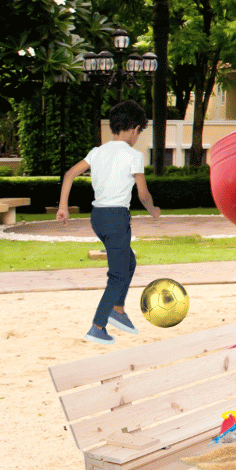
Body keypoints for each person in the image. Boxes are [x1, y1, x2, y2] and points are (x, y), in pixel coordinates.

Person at [56, 99, 160, 344]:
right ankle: (98, 326)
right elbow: (143, 194)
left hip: (98, 218)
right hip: (116, 218)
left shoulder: (97, 152)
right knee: (118, 275)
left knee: (129, 261)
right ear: (135, 128)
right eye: (139, 132)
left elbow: (69, 174)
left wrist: (63, 207)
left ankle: (118, 310)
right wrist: (153, 210)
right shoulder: (134, 155)